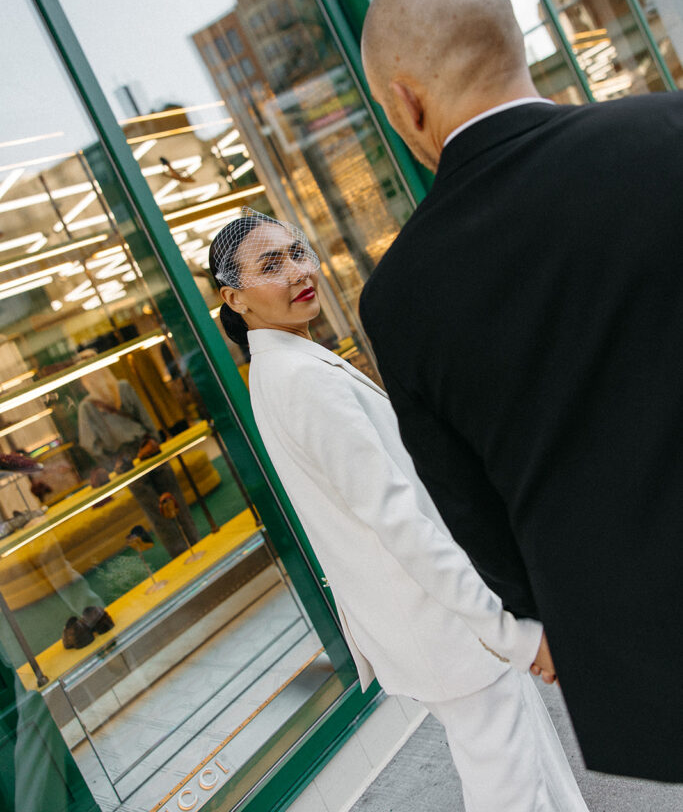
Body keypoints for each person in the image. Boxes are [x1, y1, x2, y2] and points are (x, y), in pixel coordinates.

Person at [358, 0, 683, 784]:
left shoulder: (400, 298)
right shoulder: (666, 133)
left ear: (405, 99)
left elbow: (478, 526)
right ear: (516, 44)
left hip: (646, 657)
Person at [208, 207, 590, 812]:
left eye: (298, 252)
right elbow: (398, 520)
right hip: (442, 622)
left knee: (531, 766)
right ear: (236, 298)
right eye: (270, 265)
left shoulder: (286, 368)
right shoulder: (300, 379)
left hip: (437, 619)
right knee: (508, 787)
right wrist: (505, 627)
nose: (298, 271)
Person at [78, 360, 199, 559]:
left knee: (155, 511)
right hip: (146, 447)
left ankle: (180, 554)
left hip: (124, 460)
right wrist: (154, 442)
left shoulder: (87, 407)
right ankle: (195, 543)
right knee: (174, 498)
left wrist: (112, 463)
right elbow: (146, 419)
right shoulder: (121, 388)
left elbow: (90, 444)